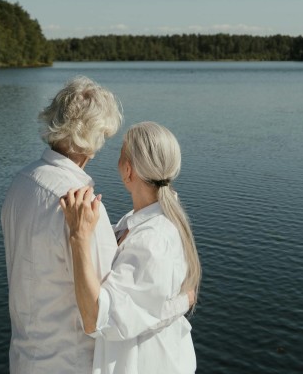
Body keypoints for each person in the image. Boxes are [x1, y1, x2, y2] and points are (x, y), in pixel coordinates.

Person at [1, 76, 123, 373]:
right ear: (91, 139)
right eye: (104, 135)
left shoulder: (20, 184)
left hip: (24, 358)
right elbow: (103, 304)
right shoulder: (81, 204)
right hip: (70, 362)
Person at [61, 121, 200, 374]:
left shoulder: (152, 241)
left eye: (120, 154)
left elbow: (95, 320)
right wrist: (181, 303)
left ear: (128, 171)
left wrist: (78, 236)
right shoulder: (142, 222)